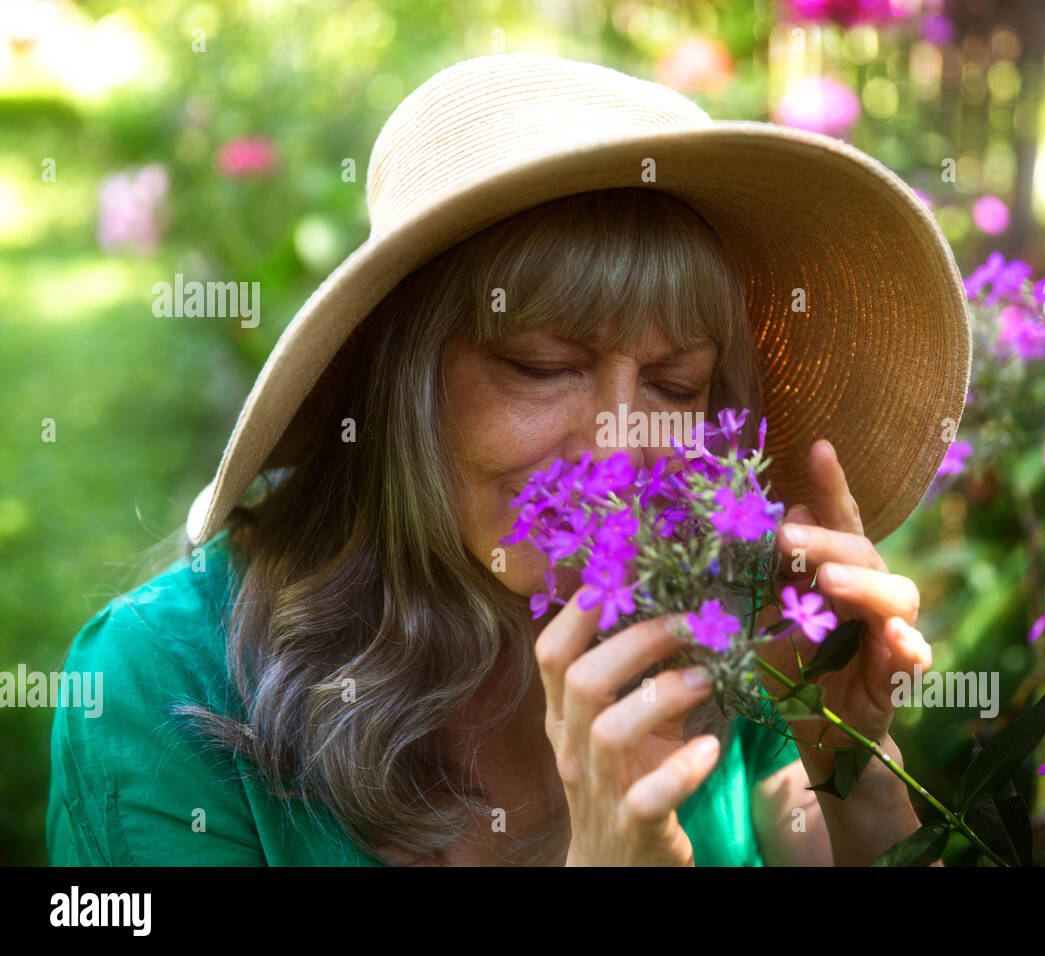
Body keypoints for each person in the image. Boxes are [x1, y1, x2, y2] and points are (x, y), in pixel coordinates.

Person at [48, 53, 970, 866]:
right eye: (543, 366)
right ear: (399, 380)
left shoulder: (725, 636)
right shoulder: (160, 687)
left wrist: (853, 766)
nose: (618, 447)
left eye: (677, 386)